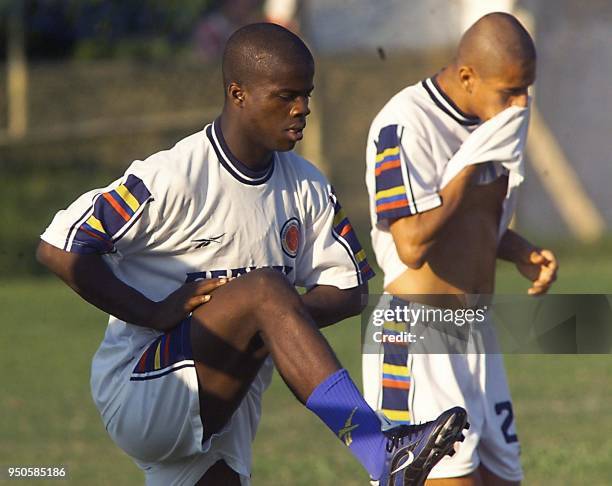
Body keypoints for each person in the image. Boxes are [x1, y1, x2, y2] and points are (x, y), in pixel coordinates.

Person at [37, 23, 468, 486]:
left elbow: (349, 290)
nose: (302, 109)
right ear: (238, 93)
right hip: (144, 389)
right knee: (264, 289)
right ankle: (378, 450)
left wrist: (270, 322)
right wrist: (155, 312)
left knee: (266, 297)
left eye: (307, 94)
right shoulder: (174, 176)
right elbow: (59, 247)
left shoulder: (306, 185)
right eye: (286, 96)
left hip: (227, 401)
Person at [363, 12, 558, 486]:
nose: (520, 103)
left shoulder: (495, 121)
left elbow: (472, 225)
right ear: (468, 76)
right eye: (509, 91)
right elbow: (411, 242)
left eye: (526, 89)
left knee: (502, 478)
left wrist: (519, 251)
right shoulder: (405, 123)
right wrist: (468, 164)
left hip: (476, 330)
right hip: (417, 331)